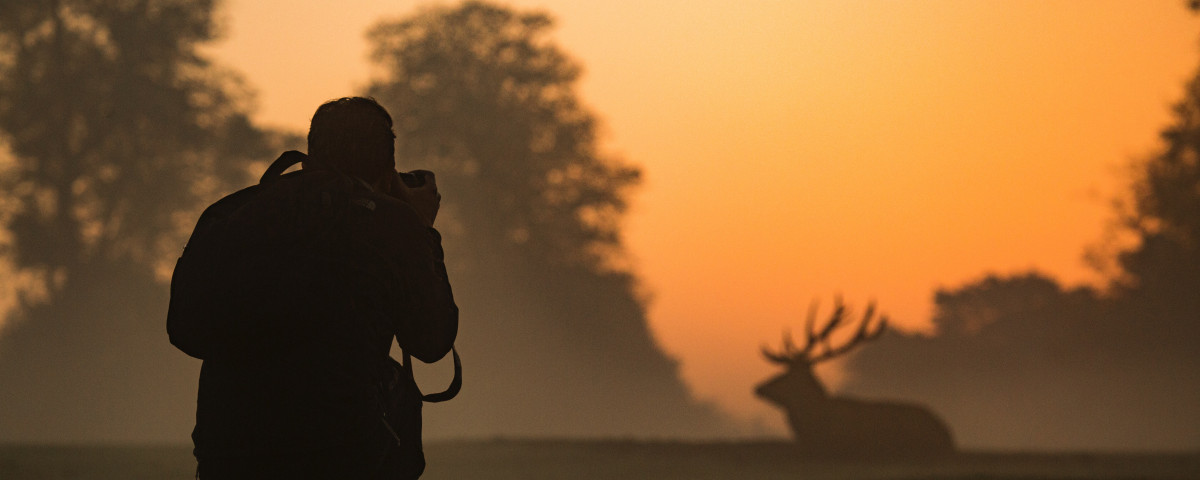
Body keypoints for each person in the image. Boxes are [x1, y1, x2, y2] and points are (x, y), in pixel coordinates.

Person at [168, 97, 458, 479]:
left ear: (309, 156)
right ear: (387, 171)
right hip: (341, 457)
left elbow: (183, 330)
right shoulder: (390, 225)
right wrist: (421, 228)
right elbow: (432, 341)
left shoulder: (235, 213)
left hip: (229, 456)